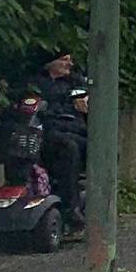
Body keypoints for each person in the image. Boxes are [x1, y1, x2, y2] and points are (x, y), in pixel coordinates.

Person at [30, 48, 90, 231]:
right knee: (68, 148)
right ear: (50, 63)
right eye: (64, 60)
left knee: (101, 149)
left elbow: (84, 100)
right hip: (48, 133)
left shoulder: (74, 83)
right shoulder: (37, 85)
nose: (69, 64)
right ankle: (71, 208)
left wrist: (86, 103)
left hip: (72, 128)